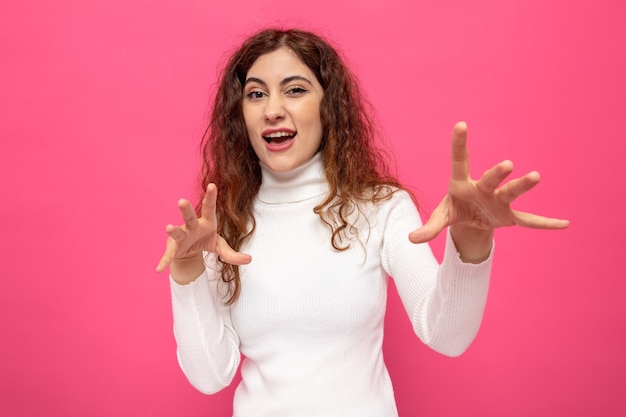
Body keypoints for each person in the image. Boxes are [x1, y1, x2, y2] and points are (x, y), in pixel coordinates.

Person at [156, 28, 569, 417]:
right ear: (239, 113)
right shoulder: (220, 224)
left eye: (295, 90)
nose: (273, 110)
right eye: (256, 94)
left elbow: (446, 335)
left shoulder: (381, 207)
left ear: (328, 105)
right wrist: (187, 272)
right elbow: (210, 377)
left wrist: (471, 242)